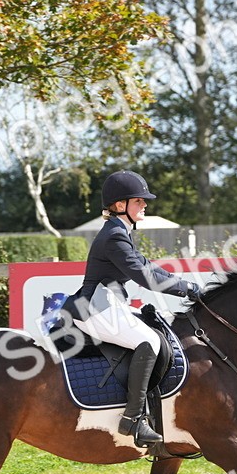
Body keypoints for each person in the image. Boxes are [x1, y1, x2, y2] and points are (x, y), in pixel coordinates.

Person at [64, 170, 201, 447]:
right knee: (149, 342)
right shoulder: (114, 236)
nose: (145, 205)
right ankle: (133, 419)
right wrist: (186, 289)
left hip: (106, 303)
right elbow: (144, 276)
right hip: (94, 307)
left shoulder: (120, 232)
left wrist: (185, 284)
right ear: (119, 205)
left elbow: (148, 266)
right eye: (139, 201)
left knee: (156, 331)